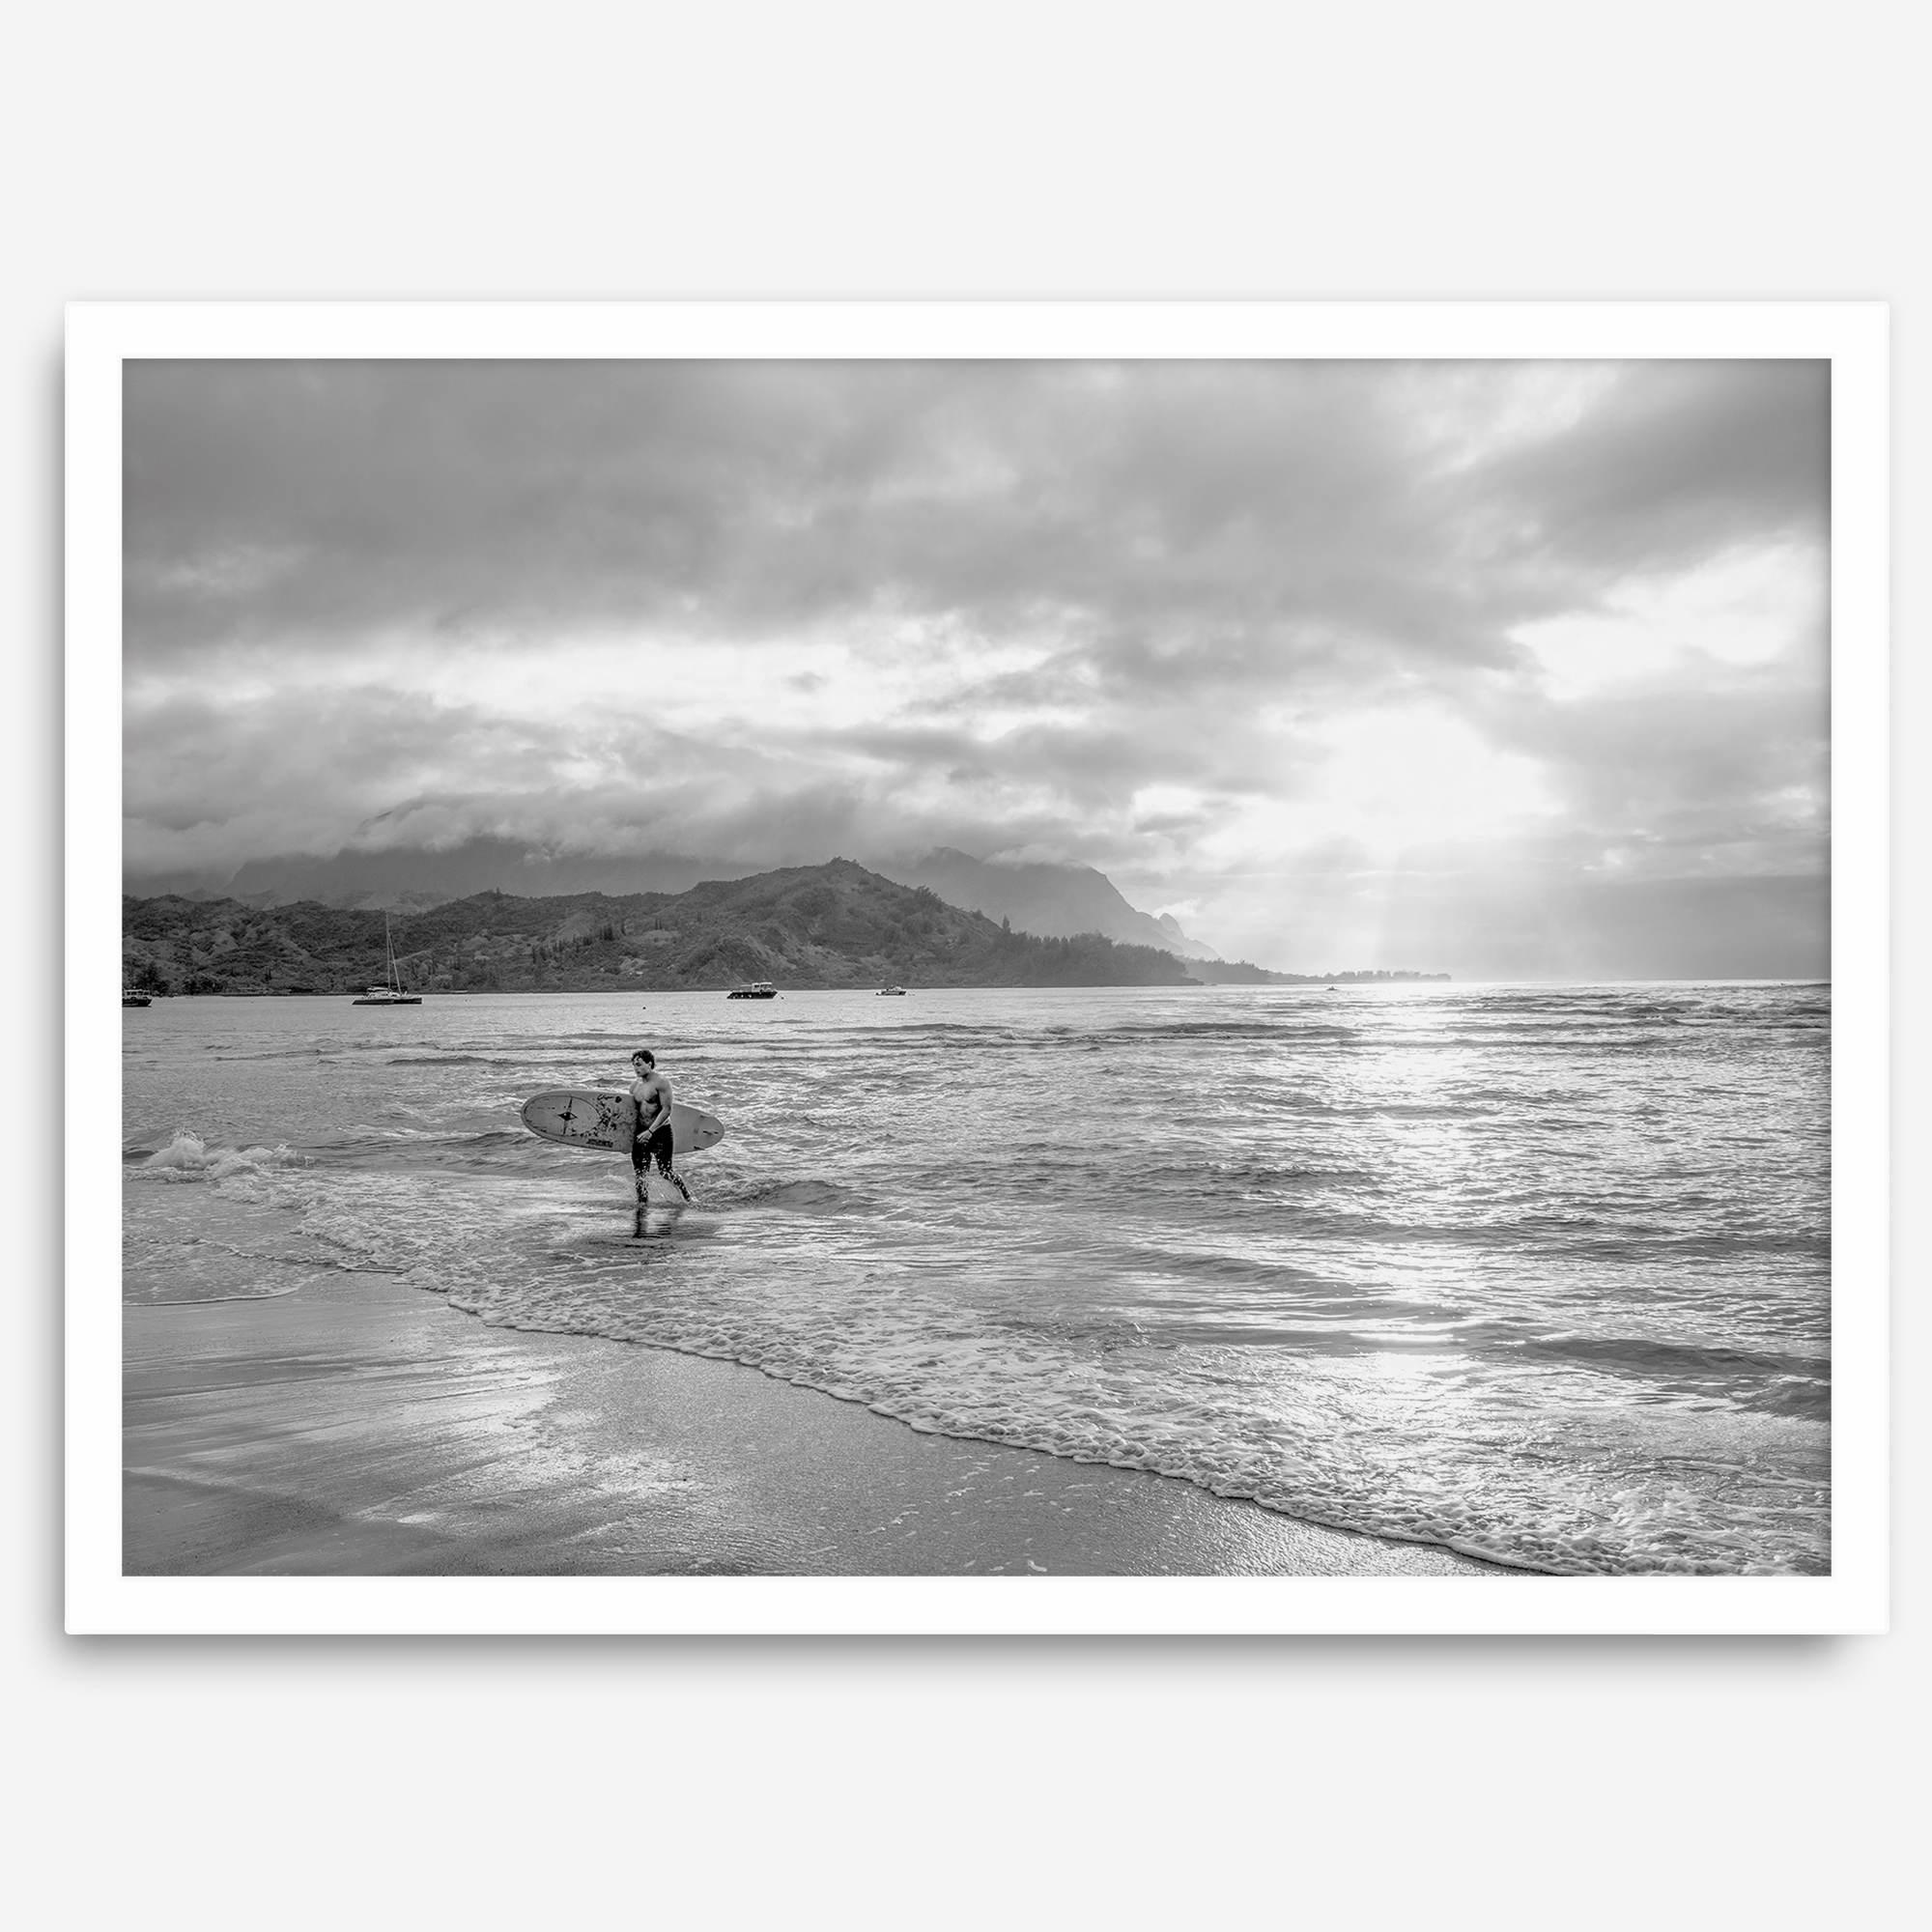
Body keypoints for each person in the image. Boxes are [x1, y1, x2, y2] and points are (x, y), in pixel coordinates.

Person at [629, 1047, 692, 1202]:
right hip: (640, 1132)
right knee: (640, 1175)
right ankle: (642, 1207)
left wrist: (650, 1131)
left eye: (640, 1064)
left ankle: (687, 1198)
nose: (636, 1068)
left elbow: (666, 1110)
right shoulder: (634, 1086)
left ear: (649, 1064)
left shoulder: (661, 1083)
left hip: (660, 1133)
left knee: (666, 1172)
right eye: (634, 1065)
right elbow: (631, 1112)